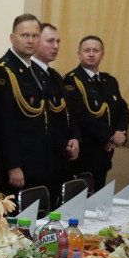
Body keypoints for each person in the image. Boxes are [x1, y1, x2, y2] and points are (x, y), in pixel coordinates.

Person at [0, 14, 54, 193]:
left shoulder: (35, 71)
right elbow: (3, 125)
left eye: (35, 36)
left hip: (38, 160)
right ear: (12, 38)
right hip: (19, 165)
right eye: (25, 36)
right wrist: (13, 165)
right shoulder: (4, 72)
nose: (30, 41)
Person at [63, 35, 129, 191]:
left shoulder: (110, 81)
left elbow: (123, 111)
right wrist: (111, 135)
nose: (91, 54)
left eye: (95, 50)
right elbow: (80, 116)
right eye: (87, 50)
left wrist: (118, 135)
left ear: (102, 54)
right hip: (83, 156)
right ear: (79, 54)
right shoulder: (71, 81)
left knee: (98, 202)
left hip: (105, 154)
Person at [32, 23, 80, 197]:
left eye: (58, 41)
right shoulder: (31, 75)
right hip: (42, 158)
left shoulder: (54, 75)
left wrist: (74, 137)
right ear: (36, 42)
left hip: (60, 156)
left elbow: (68, 112)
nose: (56, 46)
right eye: (50, 41)